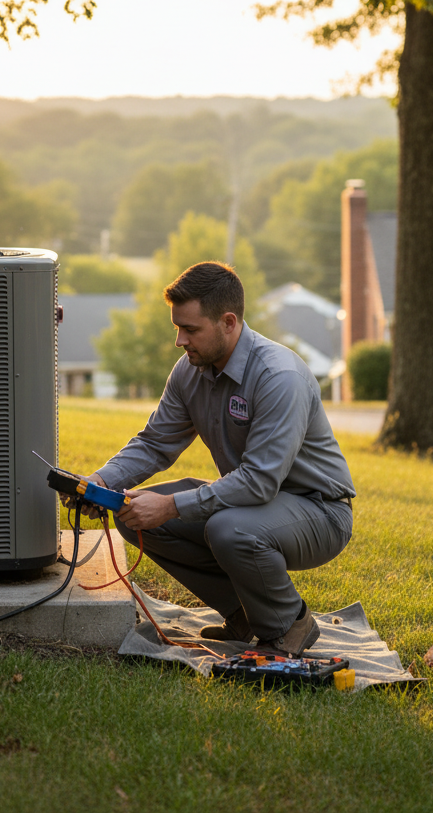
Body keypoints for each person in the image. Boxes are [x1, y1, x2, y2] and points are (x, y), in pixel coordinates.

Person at [75, 261, 355, 654]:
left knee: (228, 529)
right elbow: (156, 442)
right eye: (177, 328)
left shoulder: (279, 377)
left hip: (319, 511)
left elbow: (259, 481)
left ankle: (289, 624)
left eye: (190, 329)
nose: (179, 340)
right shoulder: (191, 369)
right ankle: (244, 613)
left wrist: (172, 505)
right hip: (253, 503)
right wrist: (102, 482)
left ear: (228, 322)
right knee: (136, 515)